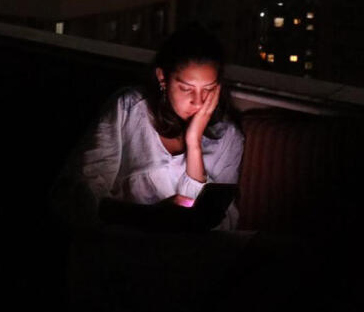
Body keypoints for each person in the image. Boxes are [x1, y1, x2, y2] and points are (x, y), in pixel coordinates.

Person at [50, 24, 244, 232]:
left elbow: (220, 223)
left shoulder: (227, 136)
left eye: (208, 89)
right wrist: (147, 217)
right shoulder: (130, 109)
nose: (198, 101)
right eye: (186, 89)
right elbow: (77, 196)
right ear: (163, 78)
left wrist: (194, 142)